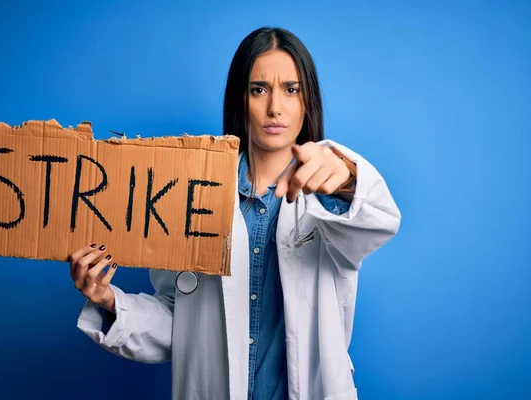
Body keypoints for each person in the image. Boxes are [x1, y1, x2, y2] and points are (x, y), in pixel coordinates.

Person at [70, 27, 401, 400]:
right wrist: (110, 301)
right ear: (239, 99)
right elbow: (180, 324)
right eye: (259, 89)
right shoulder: (192, 196)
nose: (275, 107)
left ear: (308, 100)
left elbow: (378, 219)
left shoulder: (329, 202)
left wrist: (346, 179)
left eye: (291, 89)